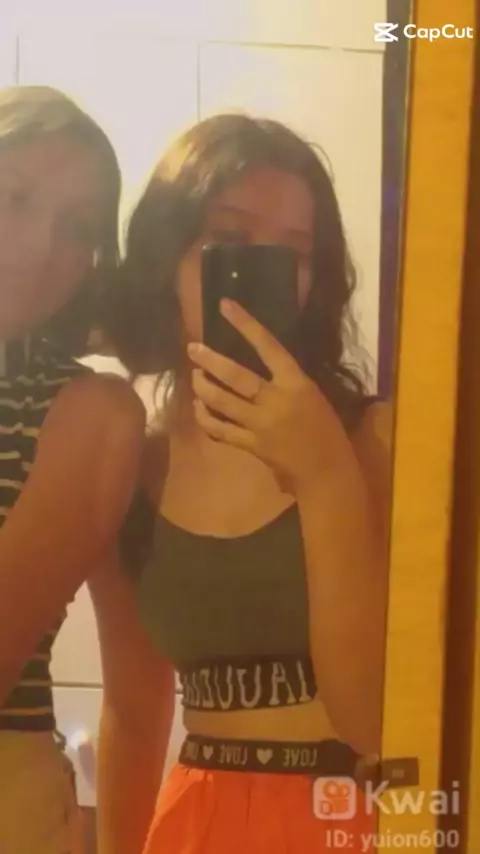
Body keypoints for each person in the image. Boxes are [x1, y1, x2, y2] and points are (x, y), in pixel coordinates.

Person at [100, 114, 392, 854]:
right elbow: (134, 712)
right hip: (194, 821)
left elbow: (377, 720)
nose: (266, 271)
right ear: (166, 257)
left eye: (294, 253)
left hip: (350, 813)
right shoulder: (135, 465)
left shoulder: (374, 439)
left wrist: (325, 475)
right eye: (230, 240)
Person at [0, 85, 174, 854]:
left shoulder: (88, 414)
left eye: (76, 228)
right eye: (14, 198)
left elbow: (139, 693)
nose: (40, 245)